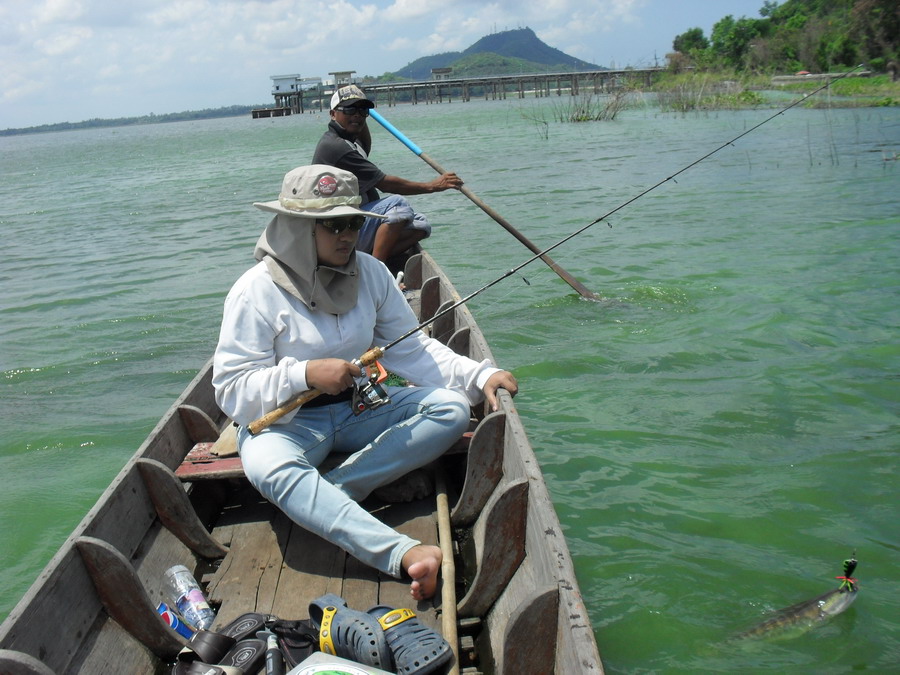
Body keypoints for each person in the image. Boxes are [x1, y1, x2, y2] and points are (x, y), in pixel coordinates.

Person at [212, 165, 518, 600]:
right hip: (284, 424)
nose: (347, 235)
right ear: (298, 228)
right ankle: (403, 553)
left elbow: (411, 351)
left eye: (354, 222)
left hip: (360, 406)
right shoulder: (254, 292)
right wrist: (303, 373)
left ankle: (331, 495)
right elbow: (230, 391)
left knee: (449, 409)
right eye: (332, 225)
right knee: (268, 467)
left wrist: (480, 373)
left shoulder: (371, 274)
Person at [312, 84, 463, 262]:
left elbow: (365, 145)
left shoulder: (349, 141)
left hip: (355, 221)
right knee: (398, 205)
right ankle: (376, 270)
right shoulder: (336, 146)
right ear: (332, 114)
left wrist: (359, 112)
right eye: (350, 109)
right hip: (339, 229)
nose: (357, 115)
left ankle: (367, 259)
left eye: (362, 111)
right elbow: (385, 184)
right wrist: (434, 186)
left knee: (421, 224)